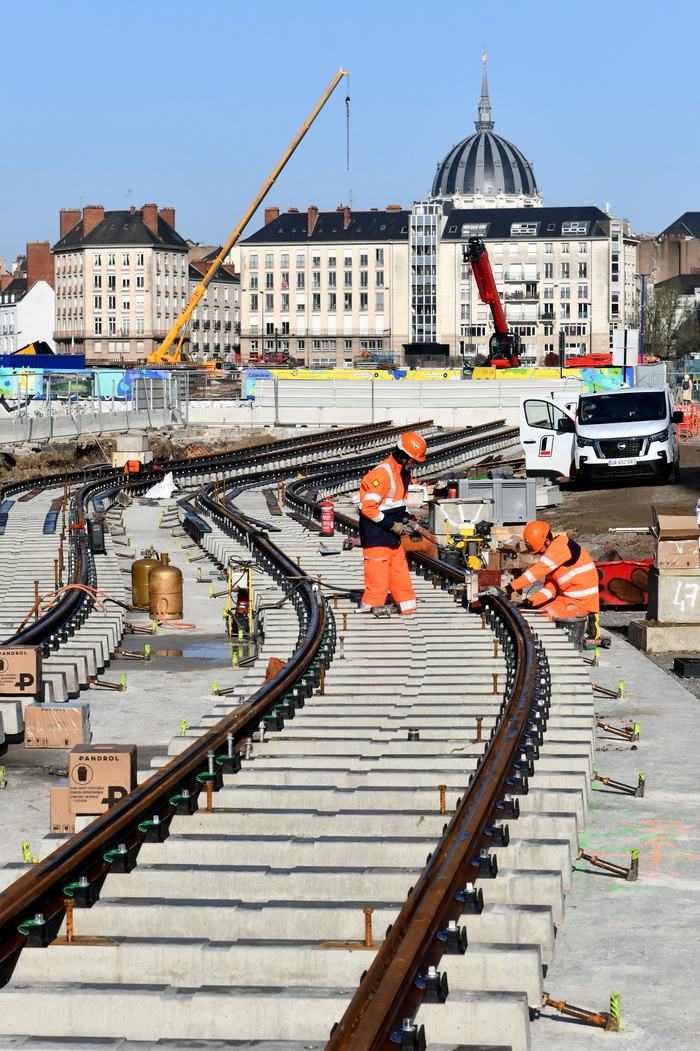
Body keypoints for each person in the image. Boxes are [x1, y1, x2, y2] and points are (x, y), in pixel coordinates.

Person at [357, 431, 427, 614]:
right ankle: (371, 609)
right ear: (402, 454)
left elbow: (399, 504)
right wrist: (393, 525)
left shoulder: (403, 473)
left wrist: (410, 523)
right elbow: (368, 509)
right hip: (377, 535)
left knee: (400, 574)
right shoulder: (381, 474)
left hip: (392, 535)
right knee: (378, 581)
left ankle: (407, 607)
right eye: (413, 460)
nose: (415, 464)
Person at [504, 519, 599, 622]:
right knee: (533, 615)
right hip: (566, 599)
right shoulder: (555, 559)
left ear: (547, 541)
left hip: (581, 603)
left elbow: (535, 572)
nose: (538, 554)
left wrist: (507, 589)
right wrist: (526, 602)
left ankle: (589, 620)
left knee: (538, 620)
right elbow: (549, 590)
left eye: (539, 550)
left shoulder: (559, 547)